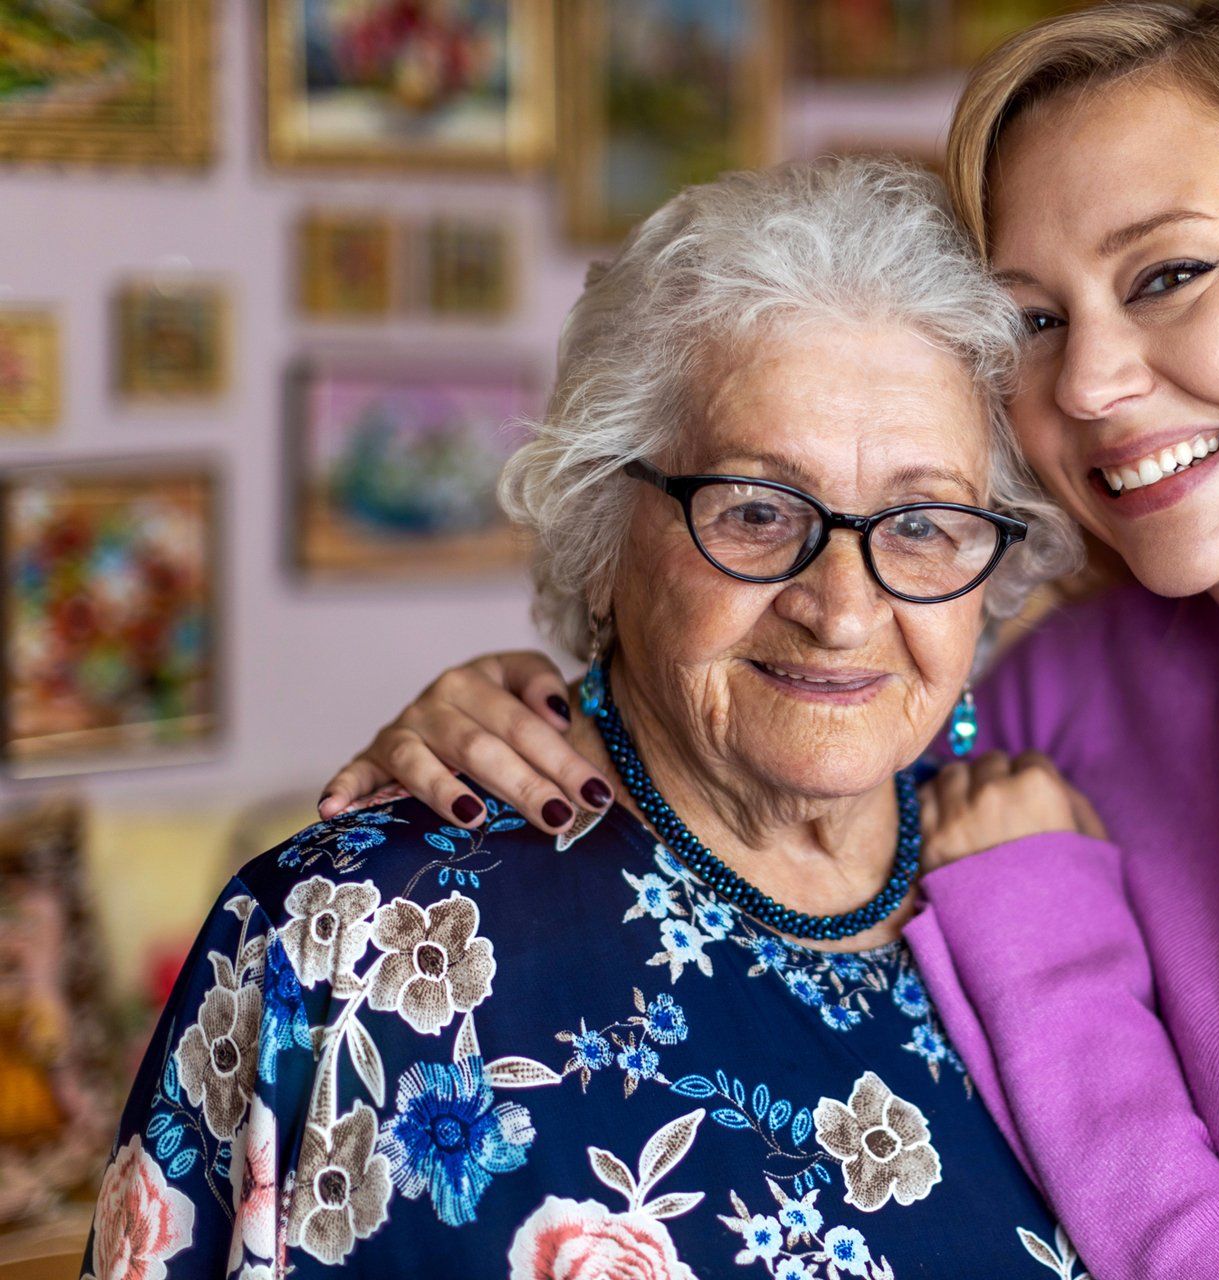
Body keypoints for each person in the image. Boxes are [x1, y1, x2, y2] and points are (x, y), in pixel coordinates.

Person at [318, 4, 1219, 1277]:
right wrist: (532, 711)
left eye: (1170, 274)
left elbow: (1022, 953)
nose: (1093, 381)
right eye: (1032, 320)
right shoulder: (1075, 678)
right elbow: (789, 806)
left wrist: (1050, 953)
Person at [83, 158, 1091, 1279]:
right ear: (605, 531)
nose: (844, 611)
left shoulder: (1058, 896)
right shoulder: (350, 934)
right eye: (756, 510)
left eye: (922, 522)